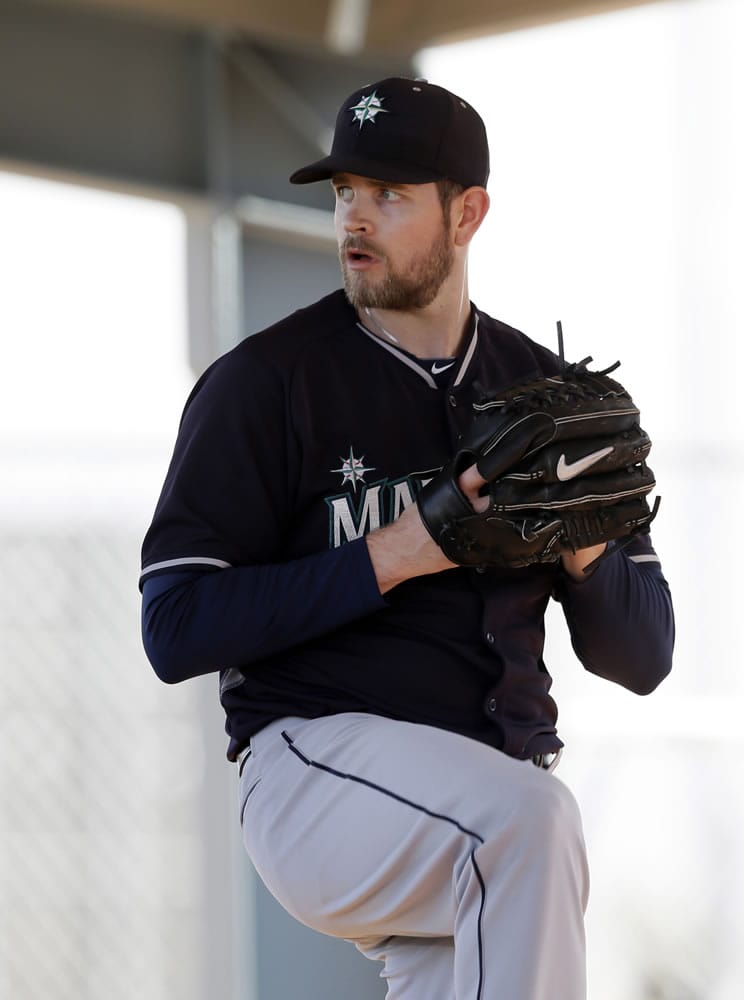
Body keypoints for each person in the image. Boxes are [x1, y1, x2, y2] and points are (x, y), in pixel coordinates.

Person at [140, 77, 674, 1000]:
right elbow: (175, 626)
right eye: (346, 190)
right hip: (316, 768)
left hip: (485, 795)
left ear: (467, 213)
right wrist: (404, 548)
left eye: (389, 194)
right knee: (533, 825)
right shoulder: (267, 381)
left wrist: (580, 539)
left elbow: (646, 655)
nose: (356, 217)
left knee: (517, 834)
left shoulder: (548, 395)